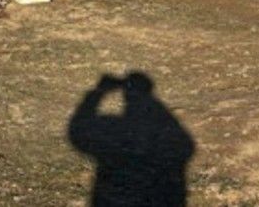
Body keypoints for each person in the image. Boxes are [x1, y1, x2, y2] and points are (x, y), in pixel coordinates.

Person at [67, 72, 195, 206]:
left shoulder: (112, 128)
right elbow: (186, 147)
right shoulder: (164, 121)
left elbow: (77, 134)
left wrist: (98, 93)